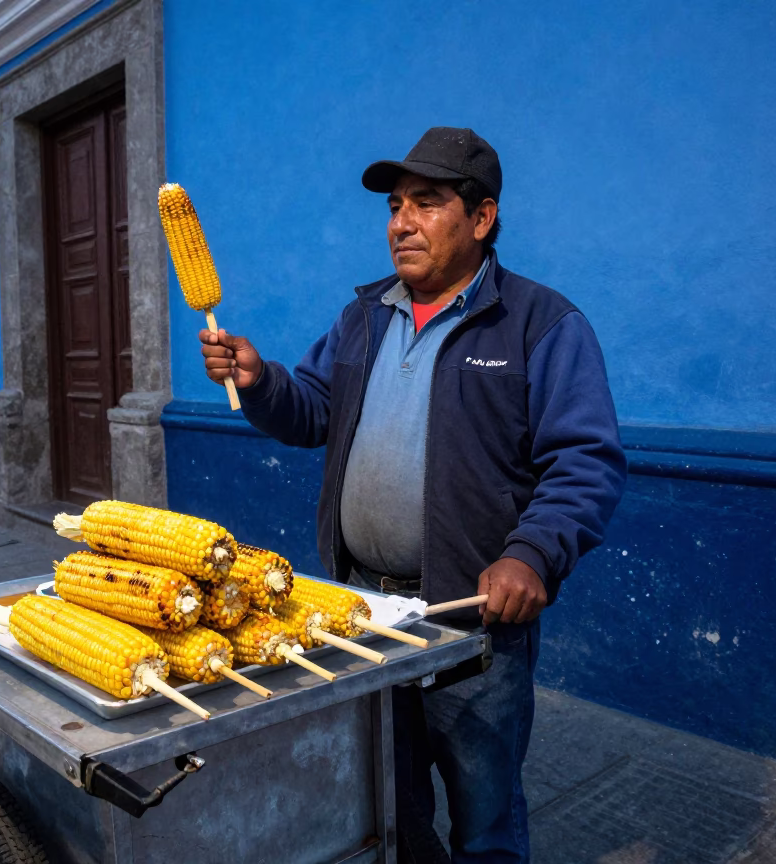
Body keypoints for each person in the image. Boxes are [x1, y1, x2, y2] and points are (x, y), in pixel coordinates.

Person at [198, 127, 627, 862]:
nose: (401, 223)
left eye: (426, 204)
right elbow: (313, 412)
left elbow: (585, 461)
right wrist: (259, 379)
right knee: (388, 811)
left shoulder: (540, 324)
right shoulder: (363, 316)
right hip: (361, 615)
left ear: (482, 218)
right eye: (396, 206)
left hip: (472, 633)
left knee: (486, 823)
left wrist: (531, 554)